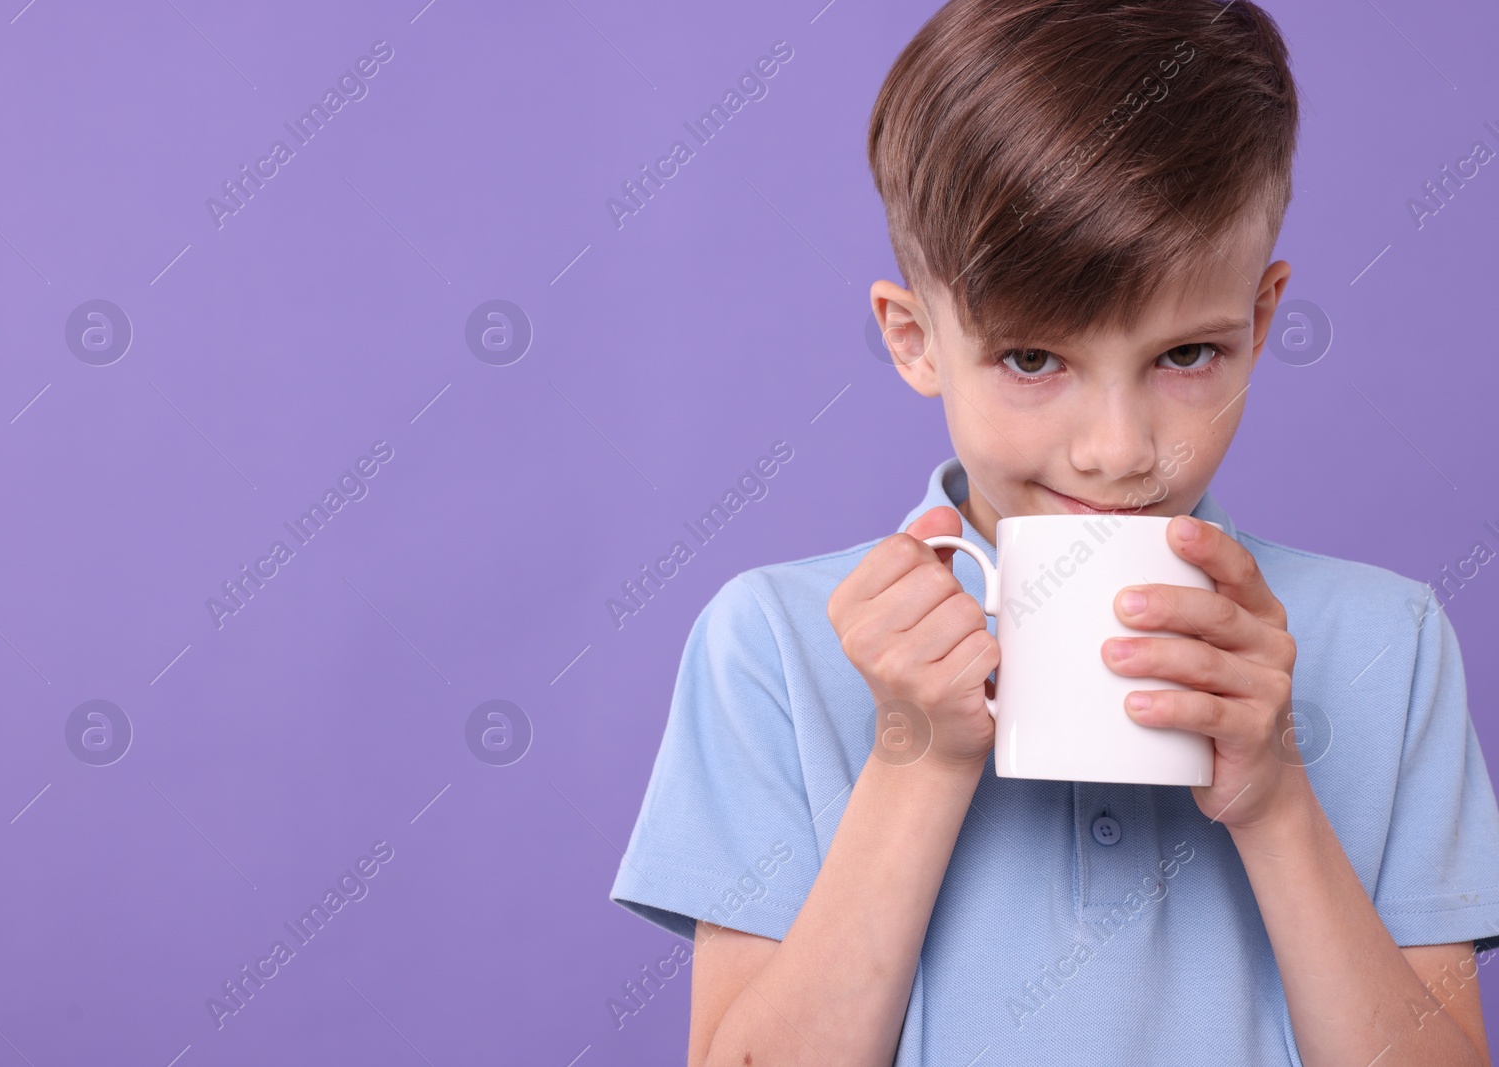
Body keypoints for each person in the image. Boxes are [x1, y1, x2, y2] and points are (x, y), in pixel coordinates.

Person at [608, 1, 1499, 1063]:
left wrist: (1275, 802)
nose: (1118, 450)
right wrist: (917, 758)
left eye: (1187, 355)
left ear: (1261, 324)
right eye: (1033, 360)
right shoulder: (774, 647)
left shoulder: (1387, 643)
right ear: (913, 339)